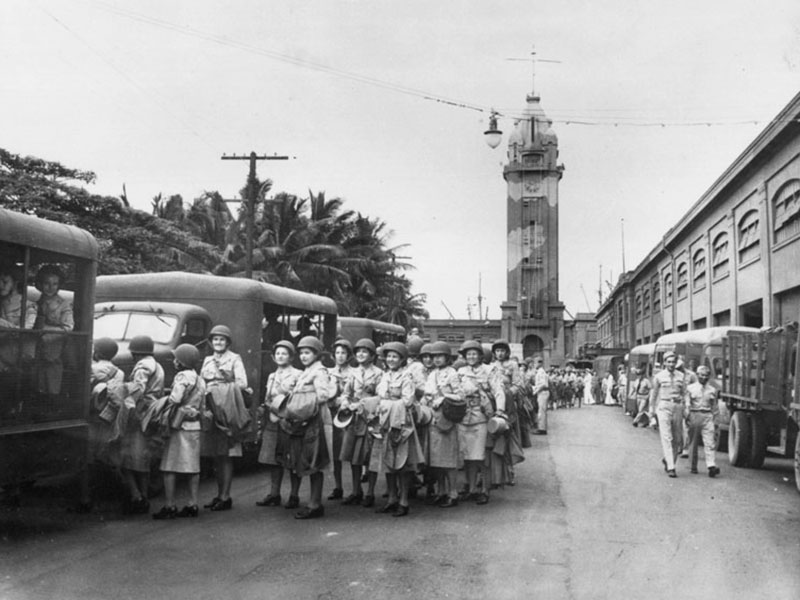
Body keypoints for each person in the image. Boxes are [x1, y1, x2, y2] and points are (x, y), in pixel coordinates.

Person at [279, 336, 332, 519]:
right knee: (307, 461)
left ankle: (315, 504)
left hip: (314, 420)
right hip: (304, 421)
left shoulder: (319, 372)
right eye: (301, 353)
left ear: (316, 354)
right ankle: (313, 502)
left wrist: (301, 403)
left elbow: (323, 395)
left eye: (307, 352)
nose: (303, 356)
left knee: (314, 462)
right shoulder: (307, 371)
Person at [200, 325, 252, 512]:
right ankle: (219, 493)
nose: (218, 342)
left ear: (228, 342)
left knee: (228, 453)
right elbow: (201, 381)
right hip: (211, 406)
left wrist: (223, 386)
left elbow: (242, 383)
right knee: (216, 453)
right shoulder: (207, 360)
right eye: (215, 339)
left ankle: (225, 495)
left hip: (228, 407)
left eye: (222, 339)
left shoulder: (235, 359)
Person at [152, 344, 207, 520]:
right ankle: (192, 504)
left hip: (179, 426)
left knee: (169, 467)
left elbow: (176, 398)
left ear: (182, 361)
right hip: (194, 426)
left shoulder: (182, 376)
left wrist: (163, 401)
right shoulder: (200, 379)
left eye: (177, 358)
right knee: (192, 468)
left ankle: (170, 505)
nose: (174, 361)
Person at [373, 341, 422, 517]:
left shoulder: (406, 377)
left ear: (402, 359)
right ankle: (392, 498)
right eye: (389, 356)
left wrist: (388, 403)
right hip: (385, 421)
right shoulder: (385, 376)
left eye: (395, 356)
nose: (391, 359)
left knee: (402, 462)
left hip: (401, 422)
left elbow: (408, 400)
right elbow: (379, 396)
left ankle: (404, 500)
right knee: (387, 461)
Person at [120, 335, 165, 514]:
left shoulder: (142, 366)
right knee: (144, 459)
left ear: (135, 353)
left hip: (140, 413)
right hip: (152, 411)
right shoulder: (157, 365)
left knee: (126, 458)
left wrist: (128, 404)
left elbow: (138, 388)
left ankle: (136, 496)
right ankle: (144, 495)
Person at [256, 340, 301, 507]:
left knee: (292, 459)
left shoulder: (298, 374)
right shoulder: (272, 376)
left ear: (291, 357)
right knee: (273, 459)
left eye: (284, 353)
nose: (280, 356)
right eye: (278, 354)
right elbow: (268, 397)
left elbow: (299, 399)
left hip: (290, 421)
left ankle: (294, 495)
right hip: (273, 420)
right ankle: (274, 494)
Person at [338, 338, 383, 507]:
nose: (361, 354)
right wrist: (344, 402)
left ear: (372, 355)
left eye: (365, 351)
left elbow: (381, 396)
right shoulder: (353, 373)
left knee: (370, 455)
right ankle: (356, 490)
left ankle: (370, 492)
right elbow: (345, 393)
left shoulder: (379, 373)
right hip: (354, 419)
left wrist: (363, 404)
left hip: (370, 418)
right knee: (353, 455)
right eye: (358, 352)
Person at [456, 340, 500, 505]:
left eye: (474, 353)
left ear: (481, 355)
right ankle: (471, 488)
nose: (471, 356)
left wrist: (500, 411)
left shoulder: (489, 370)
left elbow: (498, 391)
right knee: (467, 456)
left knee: (482, 456)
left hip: (482, 417)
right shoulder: (460, 371)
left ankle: (485, 489)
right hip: (463, 417)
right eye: (468, 354)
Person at [422, 341, 463, 508]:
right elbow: (426, 393)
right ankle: (441, 491)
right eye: (434, 356)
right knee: (436, 460)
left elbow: (460, 395)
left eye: (440, 356)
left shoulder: (452, 373)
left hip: (447, 418)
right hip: (433, 418)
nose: (437, 359)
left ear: (447, 357)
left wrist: (444, 397)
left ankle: (453, 493)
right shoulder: (432, 374)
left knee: (449, 460)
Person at [488, 340, 525, 488]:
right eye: (497, 351)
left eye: (503, 350)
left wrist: (508, 393)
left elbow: (518, 385)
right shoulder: (490, 366)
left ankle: (510, 471)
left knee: (508, 436)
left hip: (508, 405)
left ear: (507, 352)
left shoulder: (513, 365)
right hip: (492, 402)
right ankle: (493, 474)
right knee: (492, 436)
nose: (500, 353)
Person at [33, 264, 73, 398]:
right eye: (46, 283)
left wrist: (46, 330)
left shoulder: (63, 304)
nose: (50, 287)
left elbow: (68, 327)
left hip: (54, 350)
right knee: (37, 383)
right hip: (36, 350)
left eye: (55, 284)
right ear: (40, 284)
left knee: (52, 385)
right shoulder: (37, 303)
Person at [649, 351, 686, 477]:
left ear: (676, 363)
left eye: (673, 362)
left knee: (677, 439)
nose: (671, 364)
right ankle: (671, 467)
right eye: (668, 362)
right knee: (667, 437)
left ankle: (669, 459)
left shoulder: (681, 376)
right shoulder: (659, 377)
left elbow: (685, 393)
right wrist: (651, 412)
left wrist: (686, 408)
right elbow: (653, 395)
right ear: (664, 363)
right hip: (664, 406)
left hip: (677, 406)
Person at [326, 338, 354, 501]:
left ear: (349, 355)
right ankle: (338, 486)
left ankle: (355, 488)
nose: (340, 356)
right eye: (337, 353)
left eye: (343, 353)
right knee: (335, 452)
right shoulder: (329, 372)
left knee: (349, 451)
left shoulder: (354, 373)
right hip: (332, 414)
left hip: (348, 414)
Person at [684, 366, 721, 478]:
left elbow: (715, 407)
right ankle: (693, 466)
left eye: (706, 375)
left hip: (707, 416)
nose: (704, 377)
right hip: (695, 414)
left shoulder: (712, 390)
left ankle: (711, 466)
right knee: (693, 442)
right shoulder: (690, 388)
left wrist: (716, 421)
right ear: (697, 375)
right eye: (702, 375)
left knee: (709, 442)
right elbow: (687, 404)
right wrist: (687, 416)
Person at [531, 356, 549, 434]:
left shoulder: (541, 372)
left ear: (539, 363)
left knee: (542, 411)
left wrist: (535, 390)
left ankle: (542, 429)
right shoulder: (539, 372)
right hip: (541, 392)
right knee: (541, 410)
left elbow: (544, 384)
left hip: (543, 392)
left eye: (535, 363)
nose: (534, 364)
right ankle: (541, 427)